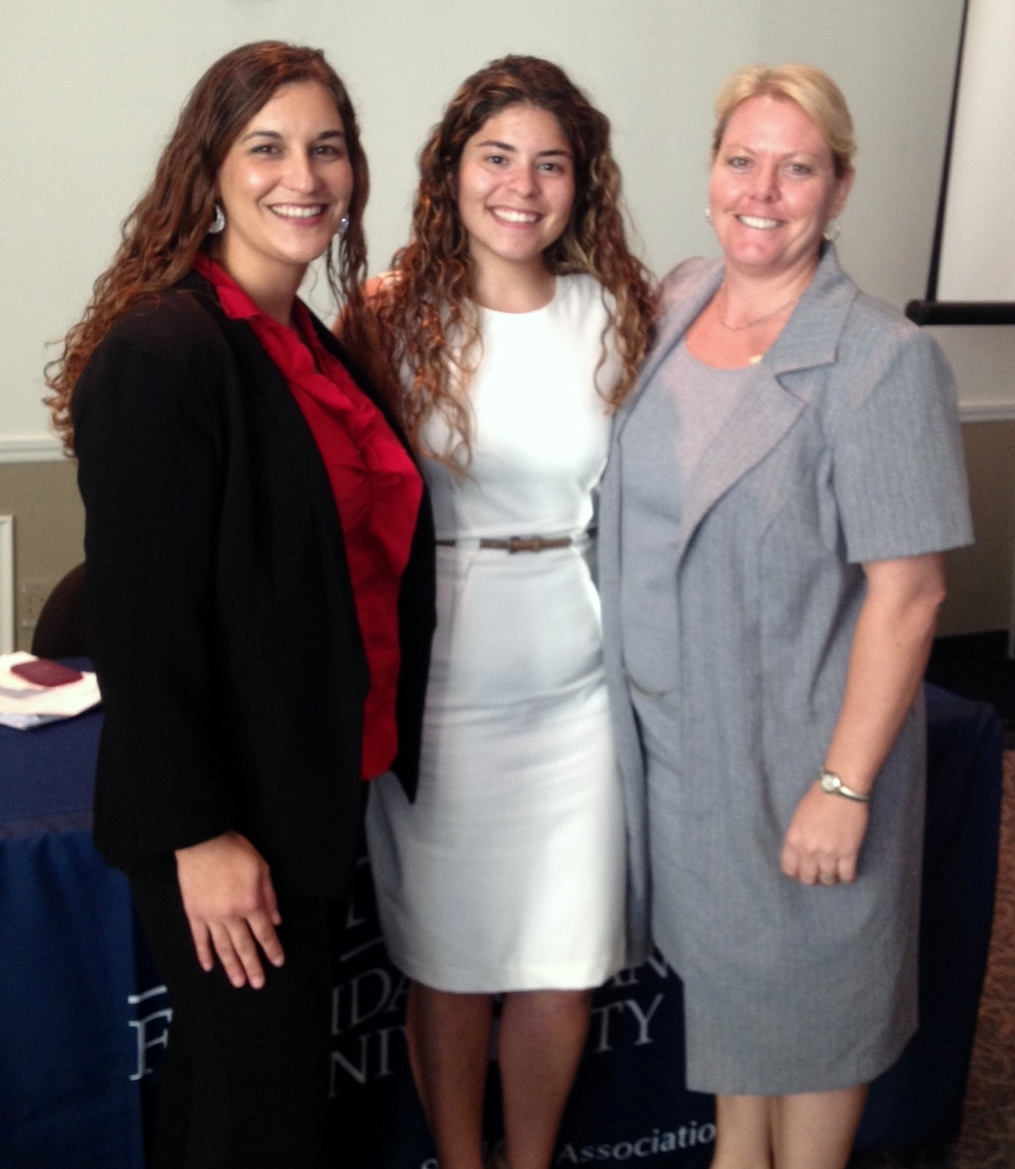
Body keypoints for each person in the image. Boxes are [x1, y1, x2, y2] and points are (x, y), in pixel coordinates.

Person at [46, 41, 434, 1169]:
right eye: (265, 146)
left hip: (309, 775)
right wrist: (199, 834)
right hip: (225, 812)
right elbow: (142, 625)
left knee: (255, 1088)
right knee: (250, 1112)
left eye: (326, 147)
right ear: (207, 168)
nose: (301, 174)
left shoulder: (306, 340)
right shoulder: (165, 350)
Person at [599, 64, 973, 1169]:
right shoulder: (672, 302)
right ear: (712, 172)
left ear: (839, 188)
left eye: (796, 167)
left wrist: (844, 785)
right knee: (739, 1016)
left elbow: (910, 594)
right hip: (680, 754)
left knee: (811, 1019)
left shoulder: (881, 361)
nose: (763, 191)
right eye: (741, 160)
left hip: (800, 762)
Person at [342, 55, 654, 1169]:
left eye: (551, 163)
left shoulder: (614, 313)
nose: (521, 185)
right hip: (441, 684)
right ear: (451, 170)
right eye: (496, 156)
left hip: (576, 676)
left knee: (563, 957)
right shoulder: (387, 315)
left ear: (582, 183)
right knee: (450, 959)